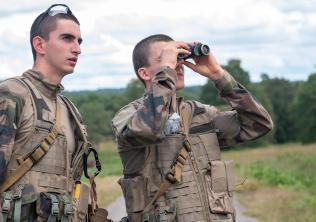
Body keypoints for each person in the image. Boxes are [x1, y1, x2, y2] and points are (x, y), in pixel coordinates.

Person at [0, 4, 99, 222]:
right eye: (67, 38)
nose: (77, 49)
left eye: (79, 41)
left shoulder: (68, 108)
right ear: (39, 44)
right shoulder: (11, 94)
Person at [111, 34, 273, 222]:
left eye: (178, 57)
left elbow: (259, 124)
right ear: (144, 73)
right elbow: (147, 130)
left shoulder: (201, 114)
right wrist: (167, 72)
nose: (177, 64)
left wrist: (218, 75)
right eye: (166, 58)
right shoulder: (129, 117)